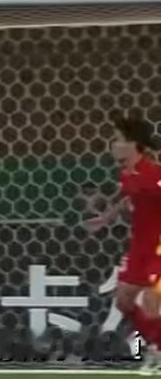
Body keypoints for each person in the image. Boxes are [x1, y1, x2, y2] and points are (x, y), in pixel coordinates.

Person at [88, 116, 161, 372]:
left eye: (118, 139)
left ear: (133, 144)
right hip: (139, 247)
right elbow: (129, 196)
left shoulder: (154, 174)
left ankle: (157, 353)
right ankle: (156, 347)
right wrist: (107, 217)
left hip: (158, 247)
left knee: (151, 299)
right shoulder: (127, 174)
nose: (113, 145)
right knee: (123, 301)